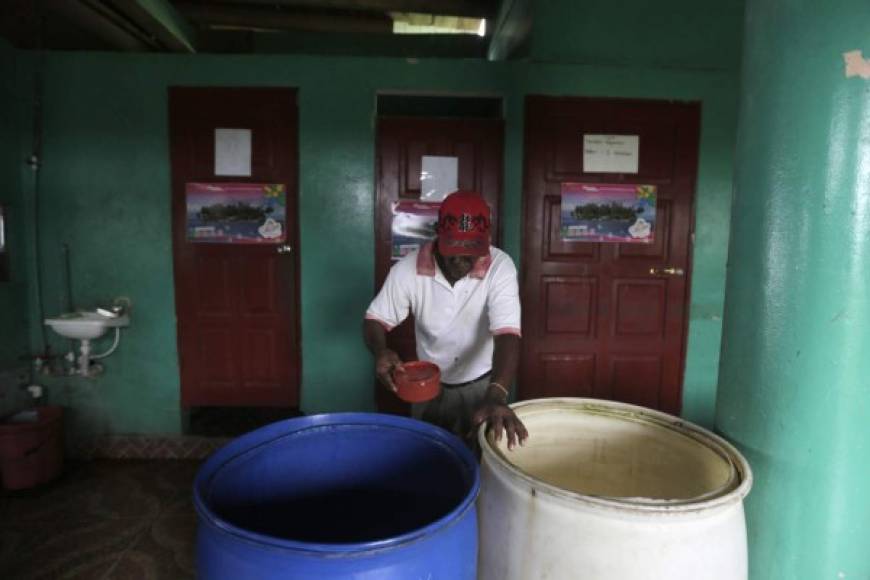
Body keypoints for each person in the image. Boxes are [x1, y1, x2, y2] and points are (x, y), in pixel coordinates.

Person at [364, 190, 528, 449]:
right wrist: (381, 351)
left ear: (486, 241)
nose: (461, 260)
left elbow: (507, 333)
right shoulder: (407, 269)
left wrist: (497, 394)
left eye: (471, 251)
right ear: (438, 235)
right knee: (425, 456)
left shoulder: (499, 266)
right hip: (428, 386)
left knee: (479, 458)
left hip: (483, 383)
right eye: (454, 250)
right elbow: (375, 319)